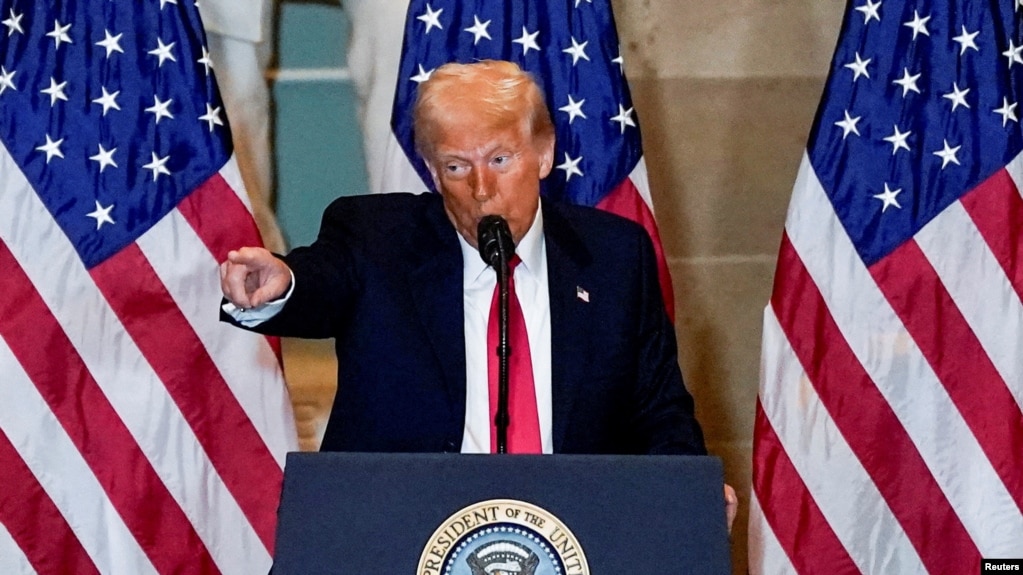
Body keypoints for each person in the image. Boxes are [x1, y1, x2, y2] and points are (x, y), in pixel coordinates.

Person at [219, 59, 736, 523]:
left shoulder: (613, 255)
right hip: (400, 530)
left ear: (544, 153)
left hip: (575, 531)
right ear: (432, 172)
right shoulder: (377, 238)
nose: (481, 188)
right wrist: (283, 283)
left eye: (500, 160)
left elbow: (657, 409)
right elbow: (321, 283)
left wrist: (690, 493)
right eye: (456, 166)